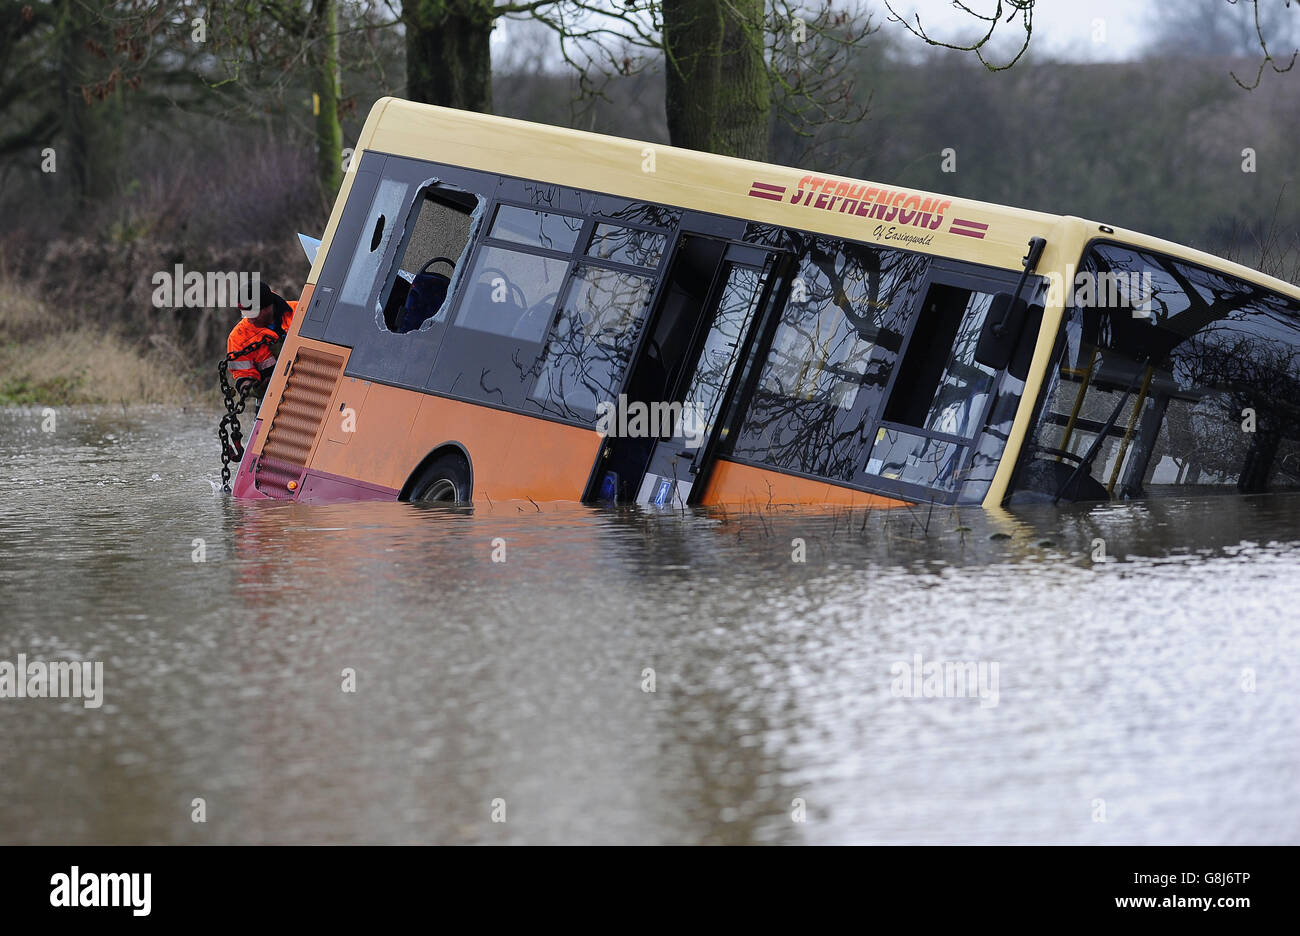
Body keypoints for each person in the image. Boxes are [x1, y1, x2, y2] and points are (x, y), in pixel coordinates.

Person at [227, 281, 298, 396]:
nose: (249, 319)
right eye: (245, 313)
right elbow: (242, 375)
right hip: (272, 398)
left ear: (268, 306)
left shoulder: (300, 312)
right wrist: (252, 388)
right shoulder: (238, 336)